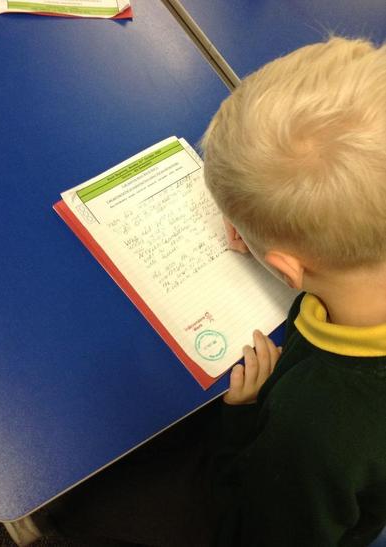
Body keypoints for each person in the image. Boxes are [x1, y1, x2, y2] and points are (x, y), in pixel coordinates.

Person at [200, 35, 386, 546]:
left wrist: (242, 422)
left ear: (287, 269)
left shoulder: (313, 425)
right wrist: (277, 244)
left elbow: (257, 533)